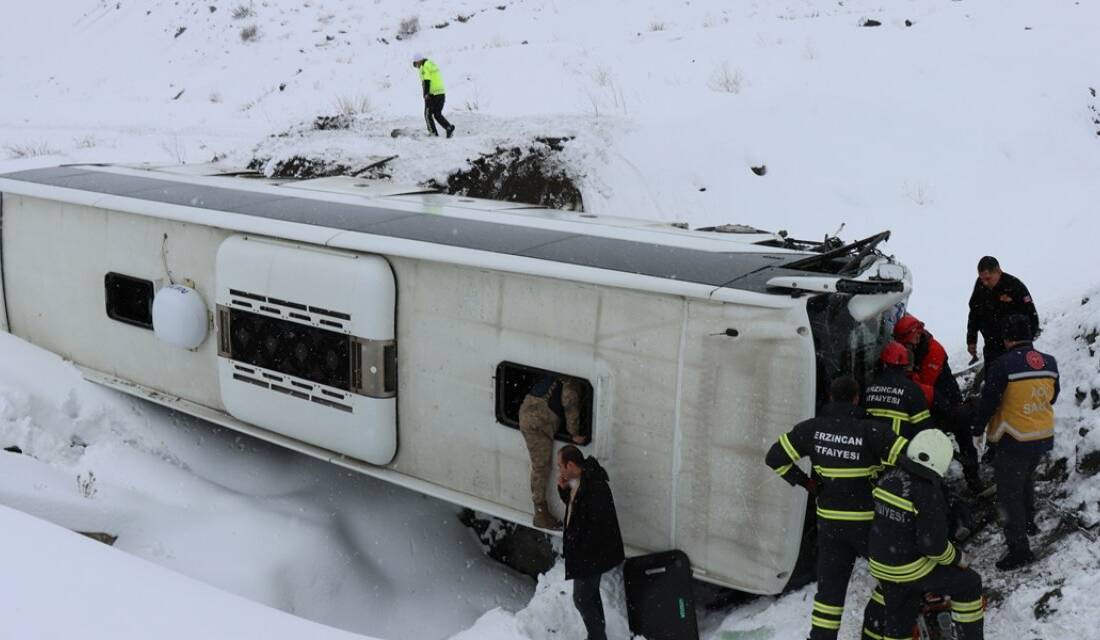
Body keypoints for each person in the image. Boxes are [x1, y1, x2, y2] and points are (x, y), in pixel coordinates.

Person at [765, 376, 907, 640]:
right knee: (896, 579)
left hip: (830, 525)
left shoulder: (811, 429)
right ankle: (873, 632)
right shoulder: (873, 431)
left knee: (829, 593)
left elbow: (774, 457)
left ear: (830, 397)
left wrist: (807, 483)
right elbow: (910, 460)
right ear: (856, 398)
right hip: (868, 525)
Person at [869, 429, 985, 640]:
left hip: (881, 563)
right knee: (970, 583)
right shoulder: (928, 493)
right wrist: (959, 558)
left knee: (899, 622)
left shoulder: (890, 476)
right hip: (909, 569)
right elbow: (933, 547)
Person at [971, 314, 1058, 570]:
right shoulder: (1050, 363)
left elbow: (989, 401)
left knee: (1009, 496)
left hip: (1014, 438)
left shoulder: (1002, 365)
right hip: (1041, 436)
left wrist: (977, 428)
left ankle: (1020, 550)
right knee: (1026, 480)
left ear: (1007, 339)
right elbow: (1052, 397)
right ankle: (1029, 521)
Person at [893, 314, 981, 492]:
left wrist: (909, 374)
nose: (905, 346)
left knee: (962, 437)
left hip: (946, 400)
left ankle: (973, 481)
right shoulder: (912, 347)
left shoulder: (934, 351)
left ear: (916, 335)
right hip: (931, 399)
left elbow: (922, 389)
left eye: (906, 342)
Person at [557, 445, 625, 640]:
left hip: (592, 554)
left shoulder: (594, 486)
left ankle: (596, 636)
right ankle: (598, 634)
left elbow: (595, 524)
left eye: (561, 466)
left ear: (571, 464)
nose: (559, 471)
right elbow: (576, 508)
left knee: (581, 598)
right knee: (590, 595)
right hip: (589, 554)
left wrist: (575, 544)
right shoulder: (581, 480)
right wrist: (563, 491)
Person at [520, 373, 585, 529]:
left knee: (541, 466)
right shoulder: (570, 379)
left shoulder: (561, 375)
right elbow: (569, 401)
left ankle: (540, 511)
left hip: (533, 411)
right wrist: (574, 432)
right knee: (541, 466)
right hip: (537, 420)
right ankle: (540, 513)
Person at [966, 256, 1039, 365]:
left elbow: (1032, 316)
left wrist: (1025, 343)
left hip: (1015, 345)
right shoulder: (980, 286)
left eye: (988, 278)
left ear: (998, 271)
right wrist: (971, 339)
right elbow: (974, 313)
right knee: (993, 378)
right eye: (982, 279)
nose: (985, 283)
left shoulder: (1014, 285)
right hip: (992, 346)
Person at [863, 342, 931, 439]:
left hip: (871, 449)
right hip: (898, 450)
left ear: (883, 363)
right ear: (905, 365)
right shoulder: (912, 390)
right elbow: (924, 428)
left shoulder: (869, 388)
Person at [411, 53, 455, 138]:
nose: (416, 66)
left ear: (418, 61)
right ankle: (448, 128)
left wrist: (426, 94)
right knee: (437, 114)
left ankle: (433, 133)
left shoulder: (424, 67)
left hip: (432, 94)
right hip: (441, 93)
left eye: (416, 63)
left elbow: (427, 81)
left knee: (427, 114)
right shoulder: (431, 64)